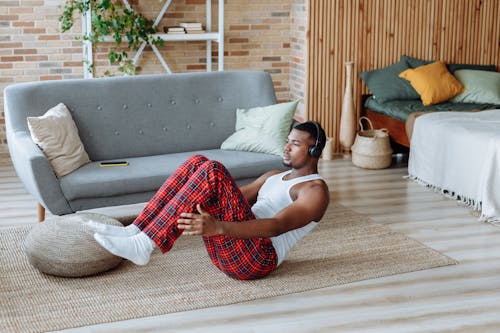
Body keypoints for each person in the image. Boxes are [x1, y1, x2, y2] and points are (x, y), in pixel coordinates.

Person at [89, 121, 330, 280]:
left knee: (212, 170)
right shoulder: (274, 176)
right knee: (198, 162)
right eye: (288, 140)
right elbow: (232, 198)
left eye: (295, 143)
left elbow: (276, 226)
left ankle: (144, 245)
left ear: (313, 151)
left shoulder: (314, 190)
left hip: (258, 259)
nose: (286, 147)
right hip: (235, 247)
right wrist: (198, 192)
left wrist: (219, 226)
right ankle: (138, 230)